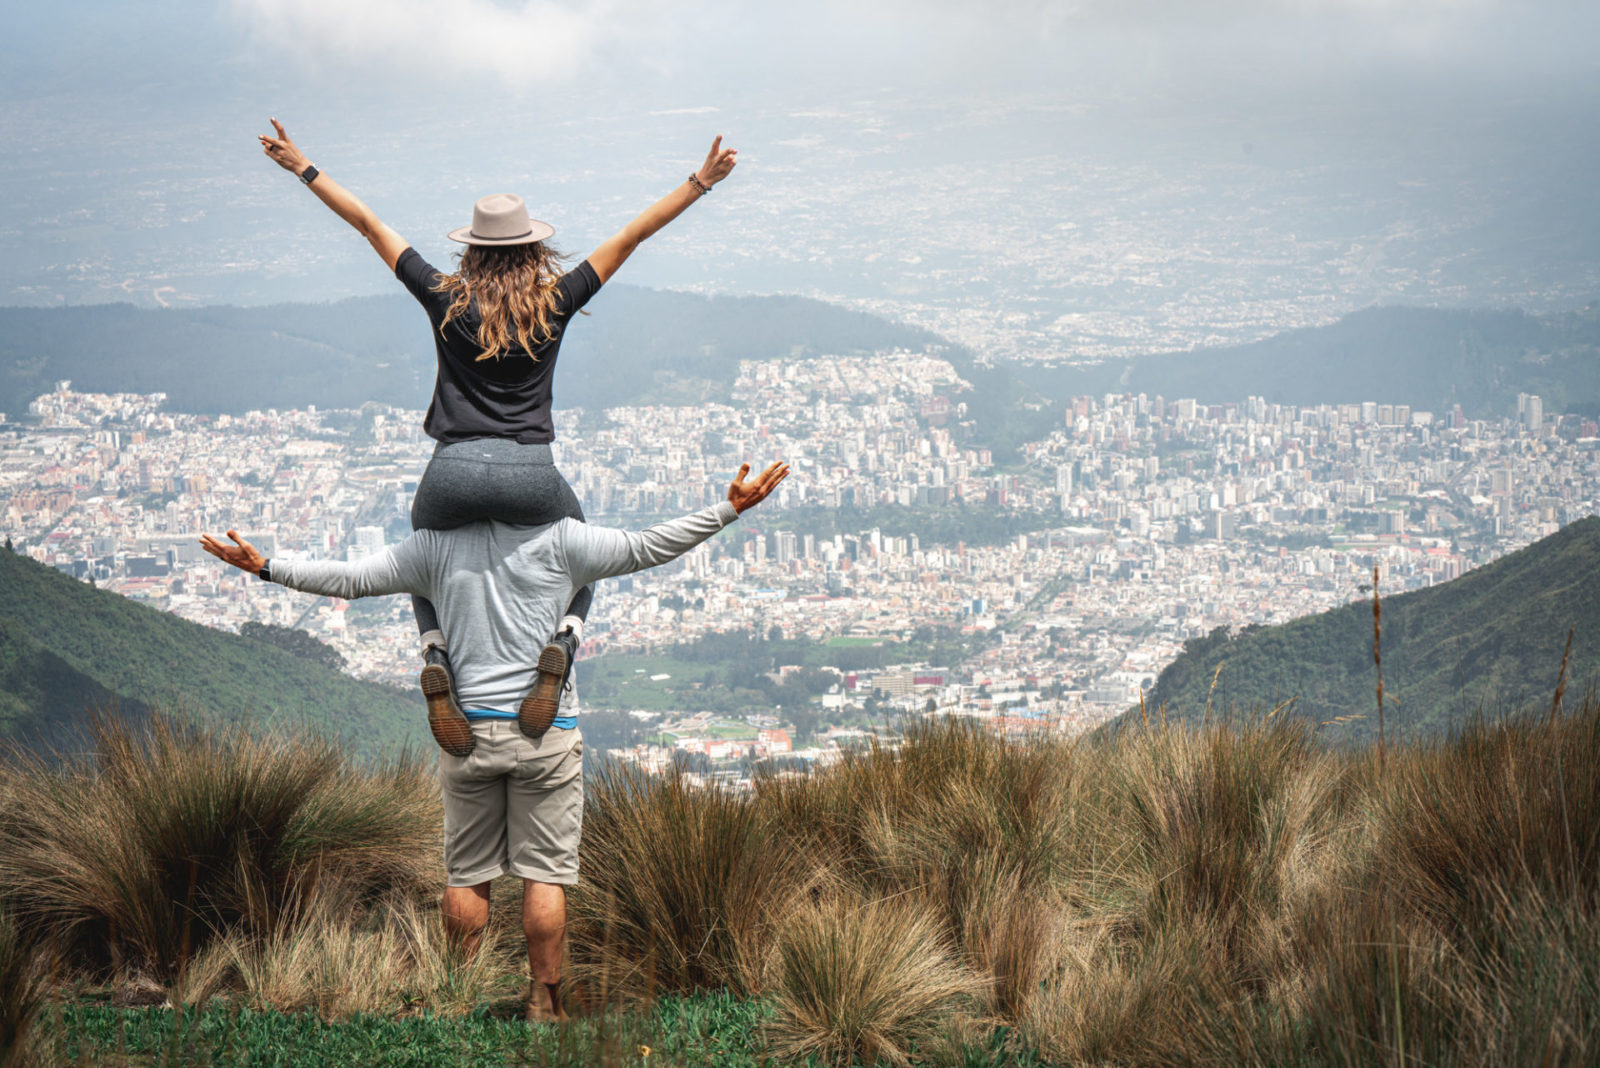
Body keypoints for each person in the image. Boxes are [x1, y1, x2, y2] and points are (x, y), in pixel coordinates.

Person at [201, 459, 789, 1022]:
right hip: (546, 736)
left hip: (468, 734)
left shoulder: (432, 548)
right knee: (546, 874)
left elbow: (352, 580)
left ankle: (459, 995)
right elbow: (647, 547)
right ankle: (543, 1000)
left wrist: (267, 566)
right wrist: (727, 510)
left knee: (466, 874)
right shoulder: (563, 539)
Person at [257, 117, 738, 754]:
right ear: (534, 250)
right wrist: (700, 182)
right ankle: (563, 640)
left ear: (472, 251)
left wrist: (304, 167)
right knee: (586, 551)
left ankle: (437, 662)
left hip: (450, 471)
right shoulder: (556, 300)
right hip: (530, 476)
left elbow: (370, 225)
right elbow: (633, 234)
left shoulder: (443, 297)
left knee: (419, 561)